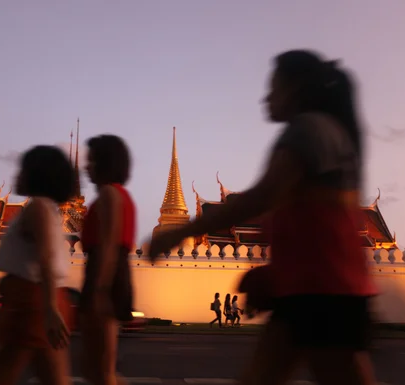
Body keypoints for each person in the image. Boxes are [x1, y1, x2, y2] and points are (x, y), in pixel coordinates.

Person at [149, 50, 377, 385]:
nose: (266, 97)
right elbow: (304, 218)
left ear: (296, 89)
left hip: (324, 292)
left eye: (274, 87)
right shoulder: (323, 132)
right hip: (314, 288)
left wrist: (180, 232)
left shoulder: (309, 130)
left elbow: (262, 196)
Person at [0, 146, 75, 385]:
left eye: (23, 170)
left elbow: (45, 258)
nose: (17, 176)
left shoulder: (37, 209)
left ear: (37, 175)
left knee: (0, 376)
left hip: (33, 303)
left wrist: (50, 310)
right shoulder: (44, 209)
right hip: (36, 302)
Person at [79, 134, 136, 385]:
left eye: (91, 160)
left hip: (104, 275)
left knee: (101, 369)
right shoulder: (113, 195)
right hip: (105, 273)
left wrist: (100, 291)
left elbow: (110, 245)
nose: (87, 167)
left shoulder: (110, 196)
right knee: (99, 367)